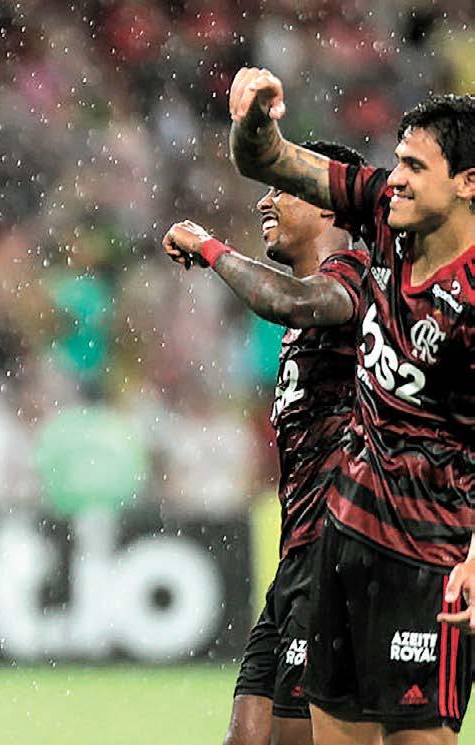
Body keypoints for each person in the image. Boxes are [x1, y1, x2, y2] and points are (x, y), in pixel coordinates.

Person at [199, 67, 475, 745]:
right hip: (342, 543)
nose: (396, 178)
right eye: (398, 161)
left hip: (429, 558)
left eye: (415, 166)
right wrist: (254, 119)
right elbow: (265, 159)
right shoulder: (382, 210)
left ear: (468, 183)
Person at [164, 140, 369, 745]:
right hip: (297, 560)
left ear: (329, 205)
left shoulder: (358, 279)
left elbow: (290, 300)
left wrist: (211, 248)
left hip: (337, 553)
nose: (265, 201)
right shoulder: (305, 318)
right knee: (247, 738)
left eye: (284, 188)